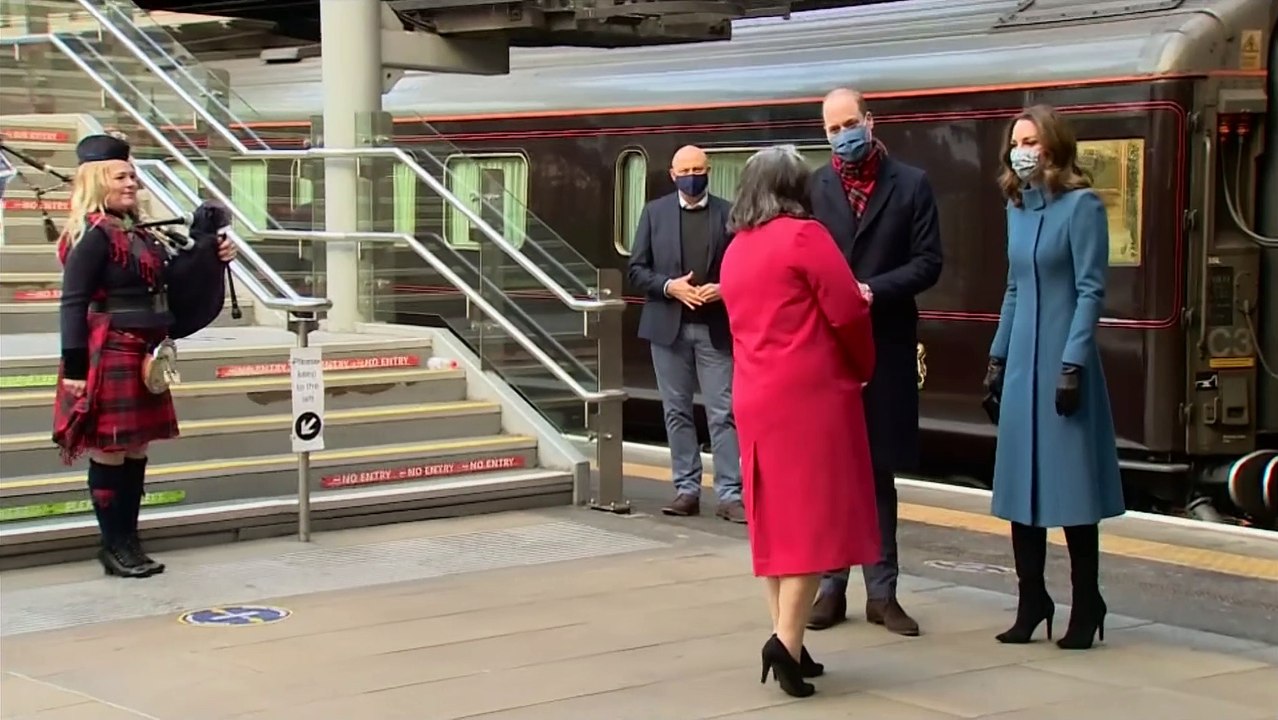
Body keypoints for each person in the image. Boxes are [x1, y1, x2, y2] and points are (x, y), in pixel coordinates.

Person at [719, 145, 881, 698]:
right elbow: (846, 310)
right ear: (796, 189)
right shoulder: (805, 237)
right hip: (808, 398)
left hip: (754, 395)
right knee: (810, 524)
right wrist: (863, 364)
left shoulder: (735, 250)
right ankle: (785, 643)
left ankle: (786, 637)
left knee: (775, 524)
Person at [54, 134, 238, 579]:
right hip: (110, 349)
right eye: (122, 176)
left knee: (135, 448)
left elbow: (170, 280)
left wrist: (212, 253)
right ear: (98, 181)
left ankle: (129, 540)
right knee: (111, 450)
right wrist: (75, 369)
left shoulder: (135, 232)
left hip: (141, 351)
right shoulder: (93, 235)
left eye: (133, 175)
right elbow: (73, 302)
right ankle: (114, 544)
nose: (132, 182)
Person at [983, 104, 1124, 650]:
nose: (1022, 149)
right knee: (1021, 486)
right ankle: (1031, 599)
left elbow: (1091, 290)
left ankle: (1087, 601)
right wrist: (997, 360)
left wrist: (1074, 363)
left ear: (1054, 147)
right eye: (1016, 140)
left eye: (1032, 140)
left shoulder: (1082, 207)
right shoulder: (1015, 207)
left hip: (1065, 365)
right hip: (1022, 365)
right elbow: (1015, 287)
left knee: (1071, 491)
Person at [806, 88, 943, 636]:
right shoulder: (814, 187)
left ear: (869, 120)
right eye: (833, 128)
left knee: (878, 470)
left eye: (849, 123)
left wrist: (872, 290)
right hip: (827, 348)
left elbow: (930, 263)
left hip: (884, 342)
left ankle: (882, 593)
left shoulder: (912, 184)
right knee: (833, 472)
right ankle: (830, 585)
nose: (843, 135)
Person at [627, 145, 744, 523]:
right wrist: (668, 287)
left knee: (723, 412)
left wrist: (725, 287)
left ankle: (729, 494)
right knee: (676, 411)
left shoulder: (729, 214)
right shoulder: (654, 213)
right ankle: (687, 489)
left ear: (708, 170)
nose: (693, 175)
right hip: (668, 327)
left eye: (699, 168)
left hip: (715, 327)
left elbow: (746, 267)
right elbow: (636, 269)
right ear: (672, 174)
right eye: (686, 169)